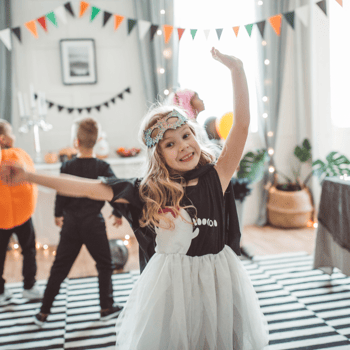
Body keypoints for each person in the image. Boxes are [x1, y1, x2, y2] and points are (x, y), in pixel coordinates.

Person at [0, 48, 269, 349]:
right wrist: (28, 177)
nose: (183, 146)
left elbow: (241, 126)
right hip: (170, 292)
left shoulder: (215, 177)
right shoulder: (146, 191)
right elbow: (85, 187)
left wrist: (237, 69)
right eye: (170, 143)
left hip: (218, 283)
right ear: (159, 154)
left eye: (186, 135)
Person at [32, 118, 123, 327]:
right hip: (93, 223)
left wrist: (57, 214)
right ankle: (106, 307)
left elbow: (61, 192)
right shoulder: (103, 166)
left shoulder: (67, 165)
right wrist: (117, 213)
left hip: (72, 224)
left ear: (76, 142)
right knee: (105, 265)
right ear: (98, 140)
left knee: (59, 268)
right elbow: (116, 190)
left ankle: (43, 312)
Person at [0, 119, 43, 303]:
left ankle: (1, 292)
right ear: (3, 138)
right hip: (21, 215)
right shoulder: (16, 154)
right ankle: (29, 286)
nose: (14, 135)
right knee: (28, 250)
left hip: (4, 216)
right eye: (11, 132)